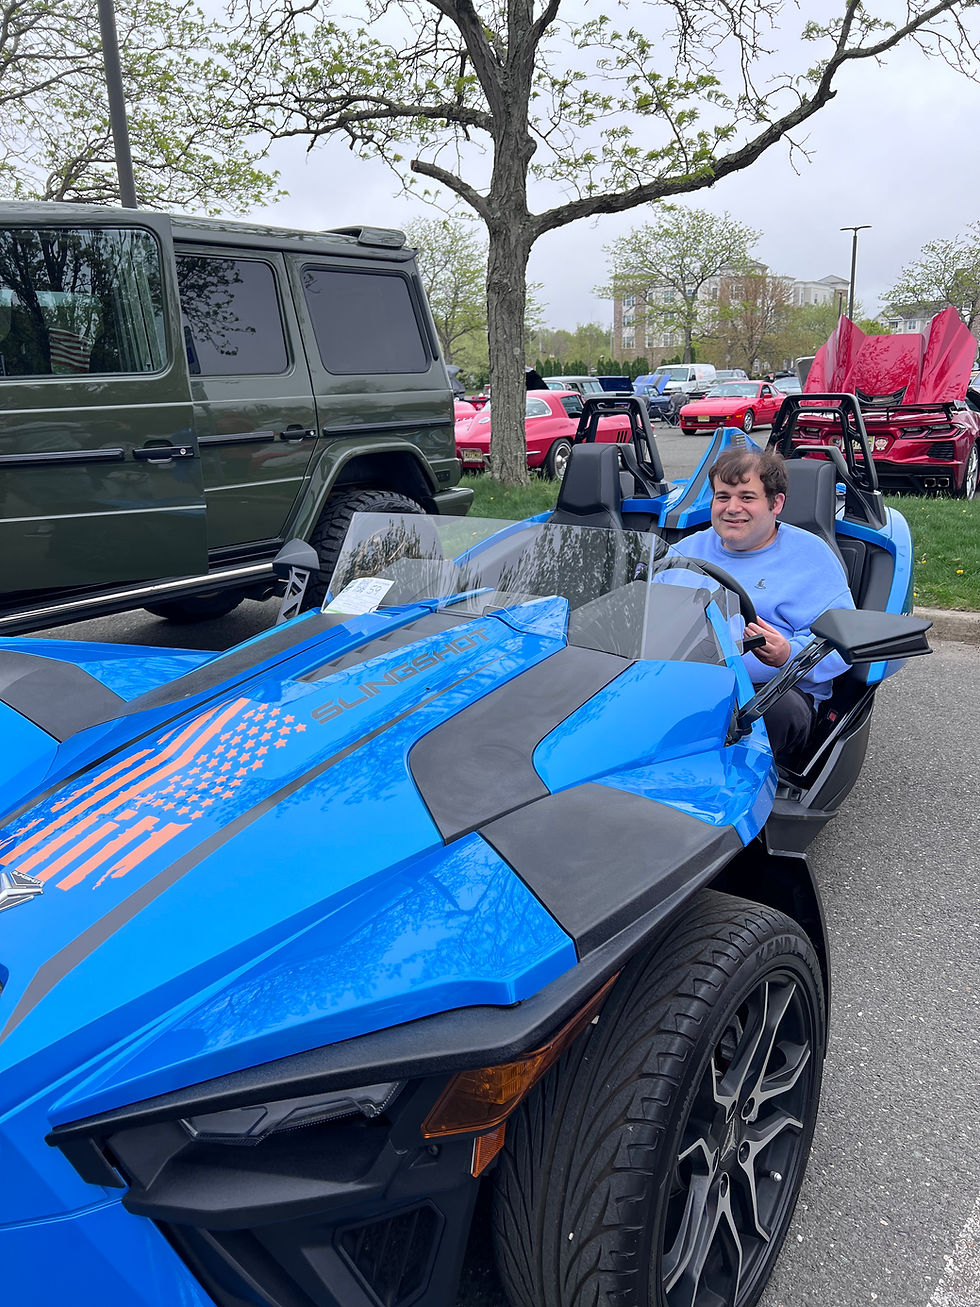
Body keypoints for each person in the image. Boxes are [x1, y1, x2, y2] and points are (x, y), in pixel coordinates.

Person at [676, 448, 854, 764]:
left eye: (747, 497)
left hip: (770, 691)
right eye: (722, 497)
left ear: (776, 503)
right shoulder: (684, 551)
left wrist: (788, 654)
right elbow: (640, 608)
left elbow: (845, 643)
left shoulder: (812, 558)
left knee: (772, 714)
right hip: (687, 683)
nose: (732, 508)